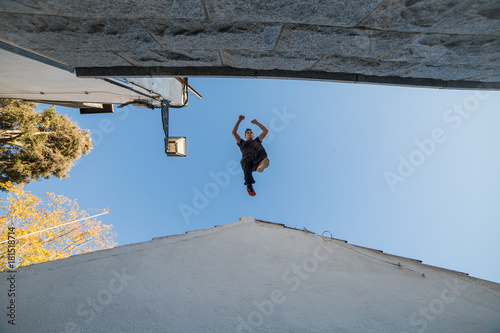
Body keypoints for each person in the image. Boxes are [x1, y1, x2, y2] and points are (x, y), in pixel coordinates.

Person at [232, 115, 270, 196]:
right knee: (246, 158)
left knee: (257, 144)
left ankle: (261, 163)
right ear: (245, 136)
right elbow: (234, 133)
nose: (249, 133)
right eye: (247, 133)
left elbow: (265, 131)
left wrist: (257, 123)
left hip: (257, 161)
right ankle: (249, 186)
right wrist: (239, 120)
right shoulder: (242, 143)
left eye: (251, 132)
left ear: (253, 135)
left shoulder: (256, 140)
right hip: (248, 164)